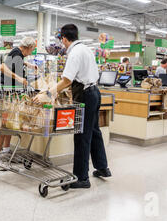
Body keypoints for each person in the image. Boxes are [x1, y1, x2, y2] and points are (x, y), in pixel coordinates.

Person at [34, 24, 111, 189]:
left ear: (63, 39)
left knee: (82, 135)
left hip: (85, 95)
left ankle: (82, 178)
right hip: (94, 92)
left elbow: (67, 80)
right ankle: (102, 167)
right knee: (94, 131)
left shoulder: (74, 53)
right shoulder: (86, 49)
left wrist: (48, 94)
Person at [0, 37, 37, 158]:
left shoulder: (19, 54)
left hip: (13, 93)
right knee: (6, 123)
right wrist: (19, 78)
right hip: (8, 93)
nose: (31, 52)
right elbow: (2, 67)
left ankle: (6, 149)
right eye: (32, 49)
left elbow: (13, 63)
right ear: (28, 47)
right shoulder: (16, 52)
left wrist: (27, 64)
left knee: (11, 122)